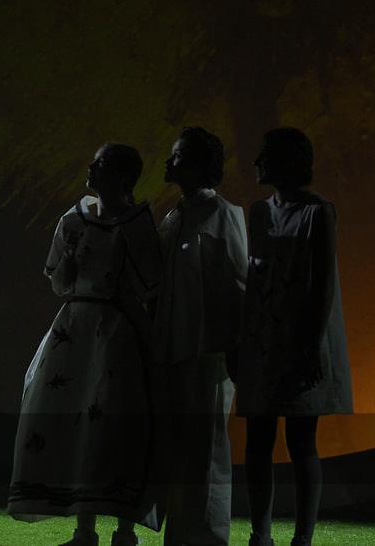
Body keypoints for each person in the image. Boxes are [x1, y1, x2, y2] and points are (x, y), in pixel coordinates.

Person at [8, 144, 163, 546]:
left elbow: (150, 284)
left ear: (123, 177)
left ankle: (125, 529)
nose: (92, 168)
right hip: (75, 328)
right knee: (75, 418)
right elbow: (58, 281)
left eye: (103, 164)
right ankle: (84, 528)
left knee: (114, 423)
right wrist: (71, 263)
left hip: (117, 331)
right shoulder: (73, 219)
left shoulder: (136, 223)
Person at [234, 127, 353, 546]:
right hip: (263, 338)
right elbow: (252, 279)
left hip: (301, 338)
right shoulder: (258, 212)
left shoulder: (318, 212)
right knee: (258, 438)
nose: (257, 163)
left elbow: (322, 285)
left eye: (265, 155)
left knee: (301, 439)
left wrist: (311, 345)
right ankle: (260, 534)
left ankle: (303, 538)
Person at [154, 127, 247, 546]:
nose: (168, 163)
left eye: (177, 156)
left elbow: (240, 282)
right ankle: (180, 536)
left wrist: (233, 345)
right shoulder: (175, 216)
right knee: (181, 448)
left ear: (196, 165)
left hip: (209, 350)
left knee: (208, 450)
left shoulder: (222, 214)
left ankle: (209, 538)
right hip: (173, 349)